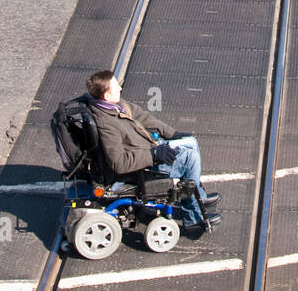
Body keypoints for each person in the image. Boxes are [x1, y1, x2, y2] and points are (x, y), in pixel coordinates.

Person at [85, 70, 220, 235]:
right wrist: (154, 155)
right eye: (116, 86)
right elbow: (119, 162)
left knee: (191, 141)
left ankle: (199, 195)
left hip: (149, 148)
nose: (120, 88)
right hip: (143, 167)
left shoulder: (117, 106)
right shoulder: (106, 123)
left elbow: (143, 117)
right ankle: (193, 216)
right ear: (106, 95)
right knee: (189, 158)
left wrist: (171, 133)